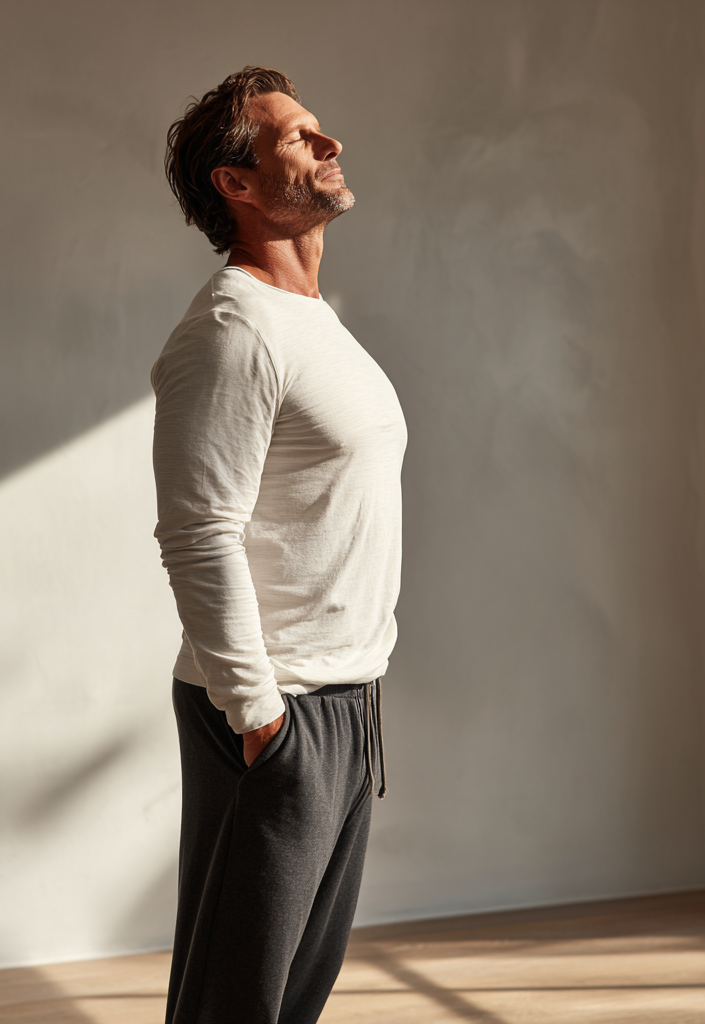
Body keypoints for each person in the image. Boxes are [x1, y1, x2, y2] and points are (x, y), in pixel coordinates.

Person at [151, 66, 406, 1024]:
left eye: (316, 128)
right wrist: (259, 719)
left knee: (294, 994)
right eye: (296, 137)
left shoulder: (312, 325)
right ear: (239, 185)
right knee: (236, 1000)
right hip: (274, 711)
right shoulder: (231, 332)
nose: (328, 143)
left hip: (346, 702)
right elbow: (198, 530)